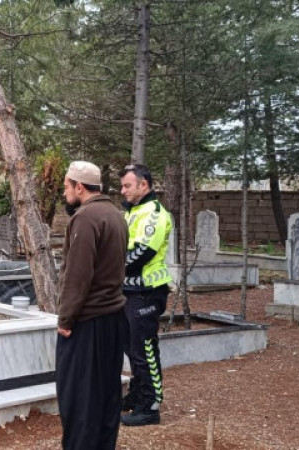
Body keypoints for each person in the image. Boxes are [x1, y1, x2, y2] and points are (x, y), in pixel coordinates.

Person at [56, 161, 128, 450]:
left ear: (79, 187)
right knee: (106, 395)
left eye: (66, 186)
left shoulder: (86, 218)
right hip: (113, 317)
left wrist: (66, 319)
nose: (64, 192)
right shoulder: (115, 214)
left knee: (80, 398)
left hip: (87, 322)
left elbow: (78, 274)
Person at [118, 163, 173, 427]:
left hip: (147, 291)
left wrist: (108, 268)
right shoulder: (132, 211)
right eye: (122, 186)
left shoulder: (155, 213)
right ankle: (138, 395)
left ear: (144, 184)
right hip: (129, 291)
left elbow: (141, 253)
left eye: (127, 185)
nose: (123, 190)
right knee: (131, 348)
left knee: (145, 349)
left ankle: (151, 406)